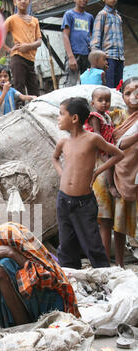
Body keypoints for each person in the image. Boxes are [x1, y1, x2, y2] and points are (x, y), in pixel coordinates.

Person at [52, 97, 125, 269]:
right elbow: (54, 158)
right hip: (63, 201)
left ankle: (104, 280)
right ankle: (73, 279)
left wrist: (97, 171)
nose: (58, 118)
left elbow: (118, 155)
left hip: (83, 203)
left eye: (61, 114)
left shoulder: (92, 139)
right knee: (67, 245)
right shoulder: (64, 142)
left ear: (75, 118)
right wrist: (62, 174)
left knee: (92, 244)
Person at [84, 87, 120, 261]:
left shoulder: (107, 116)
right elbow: (97, 136)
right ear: (93, 103)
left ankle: (103, 257)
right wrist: (107, 149)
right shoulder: (95, 116)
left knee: (107, 220)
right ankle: (103, 259)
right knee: (104, 219)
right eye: (101, 100)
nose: (104, 103)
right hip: (102, 154)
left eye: (107, 100)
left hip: (108, 153)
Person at [107, 77, 138, 267]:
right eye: (128, 93)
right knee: (119, 222)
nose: (134, 96)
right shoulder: (115, 117)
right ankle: (119, 264)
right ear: (122, 97)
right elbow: (110, 147)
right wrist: (110, 183)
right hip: (121, 173)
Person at [3, 0, 41, 96]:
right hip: (18, 58)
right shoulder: (12, 19)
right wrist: (10, 50)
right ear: (15, 2)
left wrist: (27, 46)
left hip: (31, 60)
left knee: (35, 92)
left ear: (29, 2)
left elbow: (39, 41)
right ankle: (19, 110)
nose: (23, 1)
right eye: (19, 0)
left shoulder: (35, 21)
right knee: (19, 89)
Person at [90, 0, 124, 89]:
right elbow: (96, 38)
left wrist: (122, 56)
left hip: (119, 58)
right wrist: (96, 59)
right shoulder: (102, 14)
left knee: (118, 88)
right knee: (109, 87)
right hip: (108, 59)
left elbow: (120, 39)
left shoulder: (118, 17)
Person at [62, 0, 94, 87]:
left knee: (87, 85)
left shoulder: (89, 17)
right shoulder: (69, 14)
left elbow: (91, 36)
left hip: (87, 56)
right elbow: (65, 35)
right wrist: (71, 57)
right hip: (74, 54)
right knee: (70, 85)